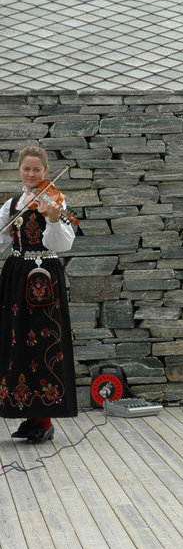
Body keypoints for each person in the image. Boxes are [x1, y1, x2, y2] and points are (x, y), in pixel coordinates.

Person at [0, 146, 78, 443]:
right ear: (19, 170)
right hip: (16, 279)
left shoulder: (55, 202)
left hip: (46, 279)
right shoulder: (12, 206)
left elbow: (62, 245)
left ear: (46, 171)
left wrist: (55, 219)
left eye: (37, 169)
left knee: (46, 341)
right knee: (17, 343)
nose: (31, 174)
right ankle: (29, 417)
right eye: (26, 169)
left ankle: (44, 419)